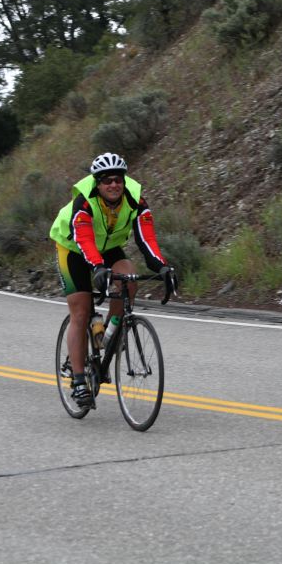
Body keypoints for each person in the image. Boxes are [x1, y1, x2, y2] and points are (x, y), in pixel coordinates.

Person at [50, 152, 175, 404]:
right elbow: (84, 238)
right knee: (81, 311)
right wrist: (97, 268)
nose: (114, 185)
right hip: (72, 248)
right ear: (97, 183)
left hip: (107, 247)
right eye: (107, 180)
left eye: (118, 179)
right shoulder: (85, 202)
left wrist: (162, 268)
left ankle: (108, 332)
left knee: (128, 276)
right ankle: (78, 381)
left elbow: (146, 239)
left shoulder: (136, 199)